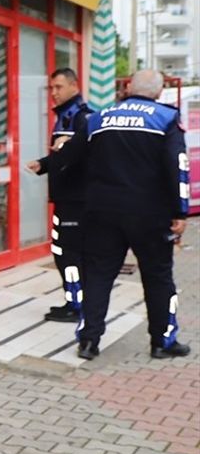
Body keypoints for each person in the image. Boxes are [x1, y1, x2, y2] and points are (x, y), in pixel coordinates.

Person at [45, 69, 190, 360]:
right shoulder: (165, 118)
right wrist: (179, 211)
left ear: (127, 89)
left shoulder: (100, 117)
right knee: (158, 277)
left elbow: (70, 155)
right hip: (150, 214)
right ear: (158, 92)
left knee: (97, 276)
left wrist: (47, 161)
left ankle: (88, 342)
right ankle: (162, 342)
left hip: (101, 212)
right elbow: (177, 166)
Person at [26, 68, 94, 323]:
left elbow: (86, 153)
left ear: (74, 86)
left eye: (58, 87)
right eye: (51, 88)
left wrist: (71, 142)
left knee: (70, 253)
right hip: (66, 199)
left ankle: (77, 306)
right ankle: (73, 301)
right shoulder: (65, 116)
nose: (53, 93)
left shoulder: (83, 117)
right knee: (63, 252)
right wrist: (43, 164)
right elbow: (64, 155)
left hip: (77, 201)